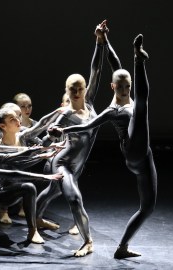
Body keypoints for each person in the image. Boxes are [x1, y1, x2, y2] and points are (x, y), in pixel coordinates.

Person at [50, 28, 157, 259]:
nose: (125, 89)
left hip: (143, 155)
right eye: (121, 87)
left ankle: (122, 247)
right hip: (134, 151)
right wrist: (63, 129)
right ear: (113, 87)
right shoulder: (112, 110)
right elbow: (86, 126)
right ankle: (139, 60)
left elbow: (115, 63)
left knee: (147, 207)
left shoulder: (121, 93)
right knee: (141, 106)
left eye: (128, 86)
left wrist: (104, 40)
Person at [35, 20, 107, 257]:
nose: (77, 92)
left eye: (80, 88)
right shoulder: (64, 113)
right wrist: (44, 142)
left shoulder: (89, 105)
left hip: (78, 164)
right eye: (72, 89)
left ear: (85, 89)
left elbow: (96, 70)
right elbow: (41, 132)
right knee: (74, 198)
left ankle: (33, 221)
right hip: (64, 162)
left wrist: (99, 41)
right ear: (66, 91)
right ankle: (88, 242)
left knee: (50, 192)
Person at [0, 107, 62, 223]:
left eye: (17, 117)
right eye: (12, 119)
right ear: (3, 126)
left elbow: (40, 125)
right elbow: (17, 163)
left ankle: (36, 219)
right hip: (3, 191)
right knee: (28, 186)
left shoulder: (22, 136)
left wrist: (57, 111)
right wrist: (37, 154)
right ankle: (3, 211)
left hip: (19, 182)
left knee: (48, 181)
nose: (18, 120)